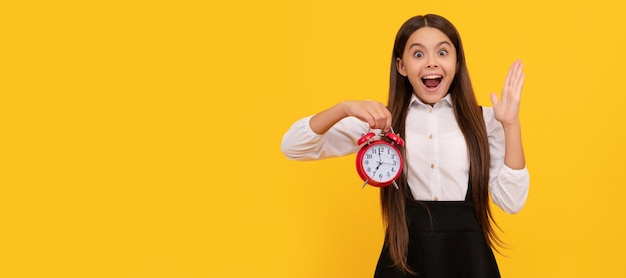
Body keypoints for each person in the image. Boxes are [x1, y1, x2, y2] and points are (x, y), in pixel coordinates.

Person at [280, 14, 529, 278]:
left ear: (456, 64)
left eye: (442, 52)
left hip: (468, 259)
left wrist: (511, 125)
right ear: (401, 65)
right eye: (418, 54)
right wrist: (344, 109)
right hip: (404, 258)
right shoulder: (380, 122)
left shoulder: (486, 121)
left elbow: (512, 201)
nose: (431, 62)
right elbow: (293, 146)